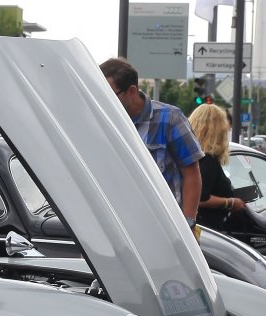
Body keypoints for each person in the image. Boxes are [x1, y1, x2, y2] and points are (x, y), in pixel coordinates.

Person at [100, 56, 202, 226]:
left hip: (164, 225)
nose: (104, 100)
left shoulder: (169, 119)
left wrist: (189, 223)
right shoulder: (103, 121)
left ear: (132, 91)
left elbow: (192, 174)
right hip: (118, 225)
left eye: (110, 94)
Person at [187, 102, 245, 229]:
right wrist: (230, 202)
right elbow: (199, 198)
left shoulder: (188, 157)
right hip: (207, 230)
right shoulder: (208, 160)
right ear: (219, 131)